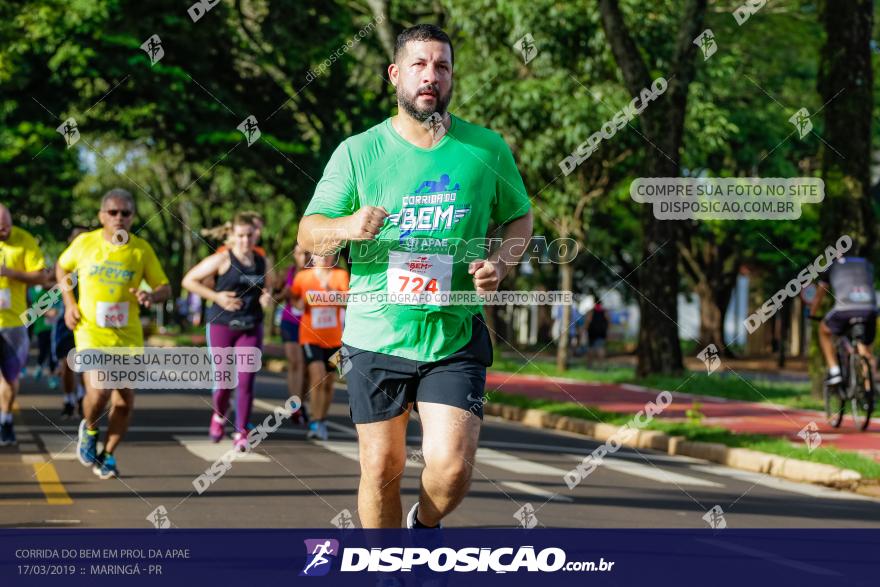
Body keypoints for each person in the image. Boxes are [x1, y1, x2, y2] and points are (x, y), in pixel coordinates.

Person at [297, 24, 533, 529]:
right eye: (420, 65)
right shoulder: (358, 152)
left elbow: (520, 216)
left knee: (451, 468)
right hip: (376, 334)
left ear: (451, 77)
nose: (431, 76)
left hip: (453, 331)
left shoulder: (486, 149)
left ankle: (422, 528)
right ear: (395, 74)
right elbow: (309, 233)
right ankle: (385, 568)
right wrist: (346, 225)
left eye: (442, 66)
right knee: (382, 468)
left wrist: (501, 261)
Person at [58, 189, 171, 478]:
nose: (119, 217)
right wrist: (69, 303)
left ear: (133, 217)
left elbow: (164, 287)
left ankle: (107, 455)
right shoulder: (85, 243)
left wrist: (150, 297)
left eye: (126, 213)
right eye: (113, 212)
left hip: (127, 335)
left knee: (124, 400)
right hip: (90, 331)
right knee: (101, 390)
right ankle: (91, 429)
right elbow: (62, 267)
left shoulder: (141, 250)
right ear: (101, 216)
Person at [182, 212, 271, 451]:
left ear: (256, 235)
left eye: (250, 235)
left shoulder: (263, 261)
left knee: (245, 380)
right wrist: (217, 297)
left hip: (250, 326)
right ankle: (219, 416)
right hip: (222, 326)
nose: (245, 241)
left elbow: (271, 287)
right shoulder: (222, 260)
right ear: (232, 236)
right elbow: (189, 280)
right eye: (240, 236)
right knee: (223, 383)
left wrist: (267, 297)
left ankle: (242, 430)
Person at [0, 205, 47, 446]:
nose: (3, 231)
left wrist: (8, 272)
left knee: (10, 378)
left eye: (6, 226)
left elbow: (42, 276)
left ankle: (5, 419)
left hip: (13, 323)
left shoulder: (24, 240)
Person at [290, 253, 349, 440]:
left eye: (327, 253)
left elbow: (349, 302)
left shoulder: (341, 275)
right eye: (318, 253)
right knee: (317, 376)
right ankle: (315, 422)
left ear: (334, 256)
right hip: (309, 337)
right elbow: (295, 305)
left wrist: (330, 292)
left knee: (329, 382)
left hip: (335, 339)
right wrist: (301, 302)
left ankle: (322, 420)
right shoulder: (303, 277)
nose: (323, 257)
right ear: (313, 256)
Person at [810, 256, 878, 385]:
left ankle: (834, 371)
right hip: (870, 310)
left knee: (824, 330)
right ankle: (869, 394)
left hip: (845, 308)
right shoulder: (866, 263)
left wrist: (813, 313)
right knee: (866, 351)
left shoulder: (832, 266)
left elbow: (819, 294)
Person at [53, 227, 87, 418]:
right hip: (67, 320)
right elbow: (50, 280)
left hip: (89, 321)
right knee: (67, 363)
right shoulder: (64, 263)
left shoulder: (95, 260)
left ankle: (83, 396)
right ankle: (68, 399)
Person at [275, 244, 310, 424]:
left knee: (304, 367)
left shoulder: (315, 273)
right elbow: (276, 296)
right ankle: (295, 405)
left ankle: (301, 402)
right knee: (295, 362)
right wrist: (284, 293)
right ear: (294, 255)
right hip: (289, 322)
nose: (302, 257)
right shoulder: (288, 272)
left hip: (309, 326)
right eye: (299, 254)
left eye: (306, 253)